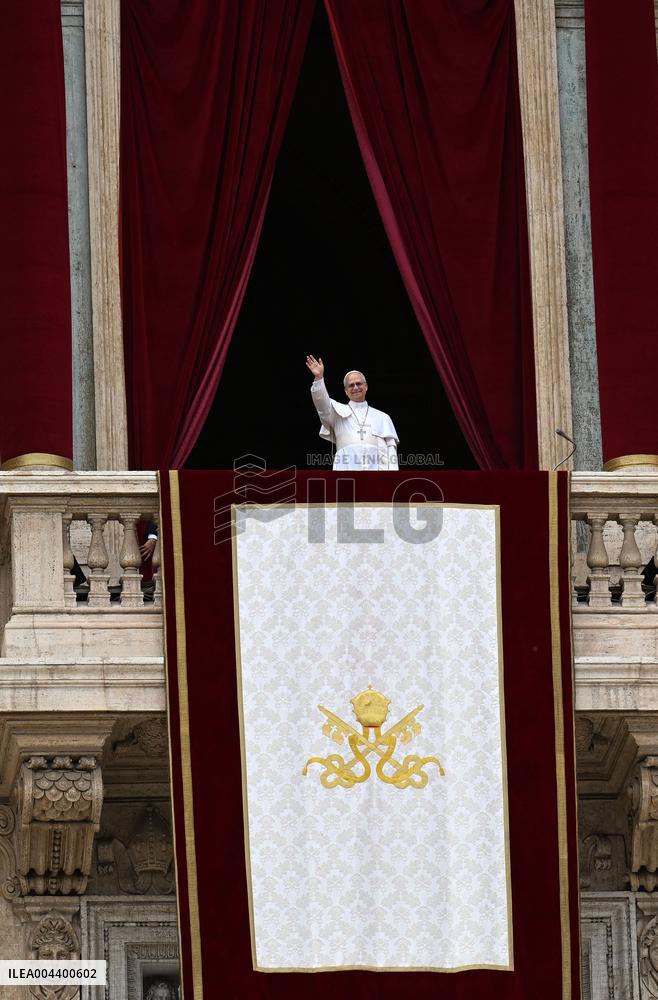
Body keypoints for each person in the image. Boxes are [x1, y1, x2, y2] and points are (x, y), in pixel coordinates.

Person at [306, 355, 399, 470]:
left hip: (377, 477)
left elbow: (391, 450)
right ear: (345, 391)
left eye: (359, 384)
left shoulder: (383, 417)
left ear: (366, 387)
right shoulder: (336, 412)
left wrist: (392, 479)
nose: (355, 387)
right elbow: (322, 405)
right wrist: (319, 378)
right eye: (351, 385)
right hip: (346, 475)